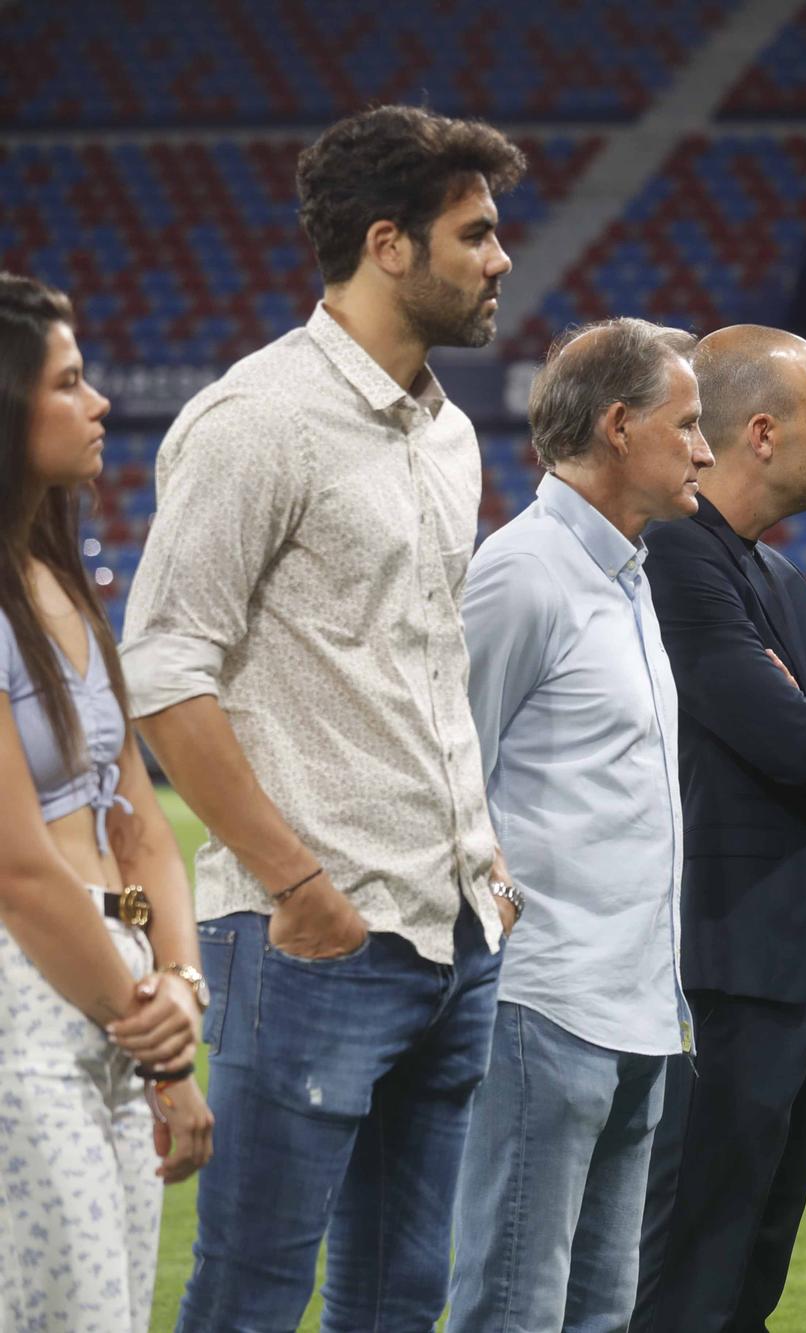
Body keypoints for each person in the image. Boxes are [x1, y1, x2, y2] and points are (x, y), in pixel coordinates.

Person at [119, 106, 529, 1329]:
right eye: (479, 233)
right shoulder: (258, 420)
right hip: (310, 939)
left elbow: (421, 665)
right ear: (389, 244)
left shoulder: (450, 432)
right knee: (251, 1290)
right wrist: (296, 883)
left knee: (403, 1292)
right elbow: (164, 669)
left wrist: (484, 864)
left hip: (450, 929)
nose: (503, 259)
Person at [444, 319, 710, 1328]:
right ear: (617, 425)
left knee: (600, 1312)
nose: (704, 449)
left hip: (638, 1004)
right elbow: (448, 769)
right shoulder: (521, 573)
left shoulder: (626, 573)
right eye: (686, 425)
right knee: (513, 1305)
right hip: (543, 1005)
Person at [635, 325, 806, 1331]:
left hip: (796, 967)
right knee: (691, 1261)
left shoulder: (782, 580)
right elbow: (802, 743)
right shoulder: (675, 558)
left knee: (757, 1259)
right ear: (756, 431)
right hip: (717, 970)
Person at [0, 273, 213, 1330]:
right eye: (70, 382)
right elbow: (19, 866)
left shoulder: (64, 586)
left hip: (117, 1001)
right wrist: (151, 1025)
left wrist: (175, 983)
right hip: (28, 1011)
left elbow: (136, 837)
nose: (99, 405)